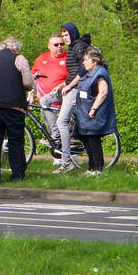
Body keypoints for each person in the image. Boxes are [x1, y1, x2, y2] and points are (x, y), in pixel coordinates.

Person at [0, 36, 34, 185]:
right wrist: (30, 86)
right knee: (16, 141)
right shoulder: (19, 58)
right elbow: (27, 82)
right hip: (13, 106)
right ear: (15, 48)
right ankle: (17, 175)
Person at [52, 22, 91, 172]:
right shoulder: (73, 47)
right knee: (45, 101)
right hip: (69, 87)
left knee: (62, 121)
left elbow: (82, 70)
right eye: (62, 35)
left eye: (66, 34)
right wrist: (63, 84)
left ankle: (66, 161)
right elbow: (73, 71)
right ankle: (56, 136)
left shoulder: (79, 46)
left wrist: (68, 86)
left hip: (76, 89)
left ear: (73, 33)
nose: (64, 38)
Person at [74, 46, 117, 173]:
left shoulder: (100, 74)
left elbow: (103, 92)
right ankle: (91, 167)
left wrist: (93, 109)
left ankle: (97, 168)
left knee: (93, 140)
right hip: (84, 113)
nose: (84, 62)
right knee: (85, 138)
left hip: (93, 114)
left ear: (95, 61)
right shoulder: (90, 73)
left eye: (86, 60)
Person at [30, 33, 67, 166]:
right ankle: (57, 158)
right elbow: (33, 77)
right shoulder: (42, 58)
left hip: (62, 101)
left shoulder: (69, 58)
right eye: (56, 44)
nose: (59, 47)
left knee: (61, 130)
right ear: (49, 46)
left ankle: (65, 158)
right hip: (45, 104)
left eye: (61, 44)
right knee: (51, 131)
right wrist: (30, 94)